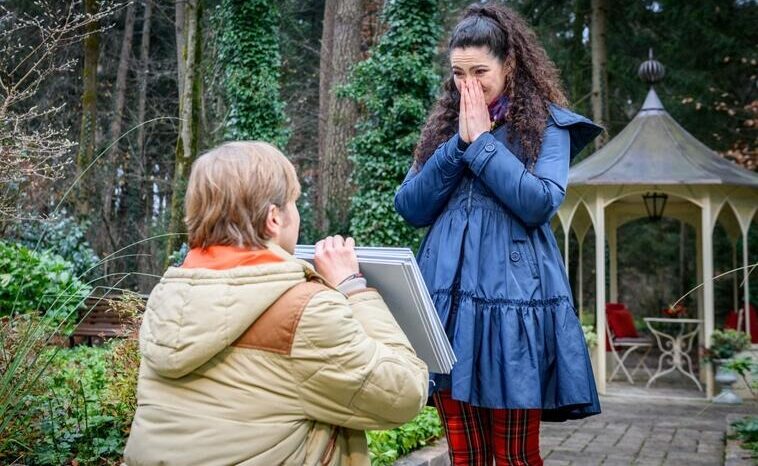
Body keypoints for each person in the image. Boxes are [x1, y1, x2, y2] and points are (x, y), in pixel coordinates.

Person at [124, 141, 428, 465]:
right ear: (273, 218)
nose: (296, 214)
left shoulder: (169, 296)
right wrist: (352, 287)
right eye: (294, 203)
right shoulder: (303, 311)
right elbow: (404, 394)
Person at [394, 4, 602, 465]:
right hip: (446, 305)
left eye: (480, 72)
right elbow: (410, 205)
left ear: (509, 65)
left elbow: (539, 204)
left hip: (515, 309)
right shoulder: (443, 130)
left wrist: (484, 144)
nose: (468, 84)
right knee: (464, 456)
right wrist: (459, 144)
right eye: (458, 72)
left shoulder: (548, 125)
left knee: (515, 459)